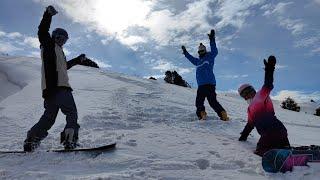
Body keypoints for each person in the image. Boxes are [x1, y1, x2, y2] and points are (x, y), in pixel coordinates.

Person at [23, 5, 99, 152]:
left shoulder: (59, 52)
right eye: (59, 37)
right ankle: (70, 141)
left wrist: (78, 59)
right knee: (71, 113)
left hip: (49, 91)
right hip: (59, 89)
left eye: (64, 39)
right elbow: (42, 31)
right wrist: (48, 15)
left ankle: (31, 140)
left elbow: (65, 66)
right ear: (54, 36)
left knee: (48, 118)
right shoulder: (48, 45)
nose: (61, 40)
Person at [238, 55, 290, 156]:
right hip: (276, 132)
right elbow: (250, 125)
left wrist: (269, 69)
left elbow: (268, 84)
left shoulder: (261, 95)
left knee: (260, 152)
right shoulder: (249, 109)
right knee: (283, 149)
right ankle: (286, 151)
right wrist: (243, 136)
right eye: (245, 93)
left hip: (272, 132)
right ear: (243, 97)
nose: (248, 94)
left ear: (253, 90)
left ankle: (281, 154)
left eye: (249, 91)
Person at [181, 29, 229, 121]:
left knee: (212, 101)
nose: (201, 53)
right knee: (199, 102)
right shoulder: (198, 61)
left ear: (205, 51)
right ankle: (202, 115)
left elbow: (215, 50)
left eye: (202, 51)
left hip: (210, 84)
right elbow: (191, 58)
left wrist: (212, 39)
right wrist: (185, 53)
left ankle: (223, 114)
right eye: (199, 52)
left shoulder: (210, 56)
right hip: (201, 85)